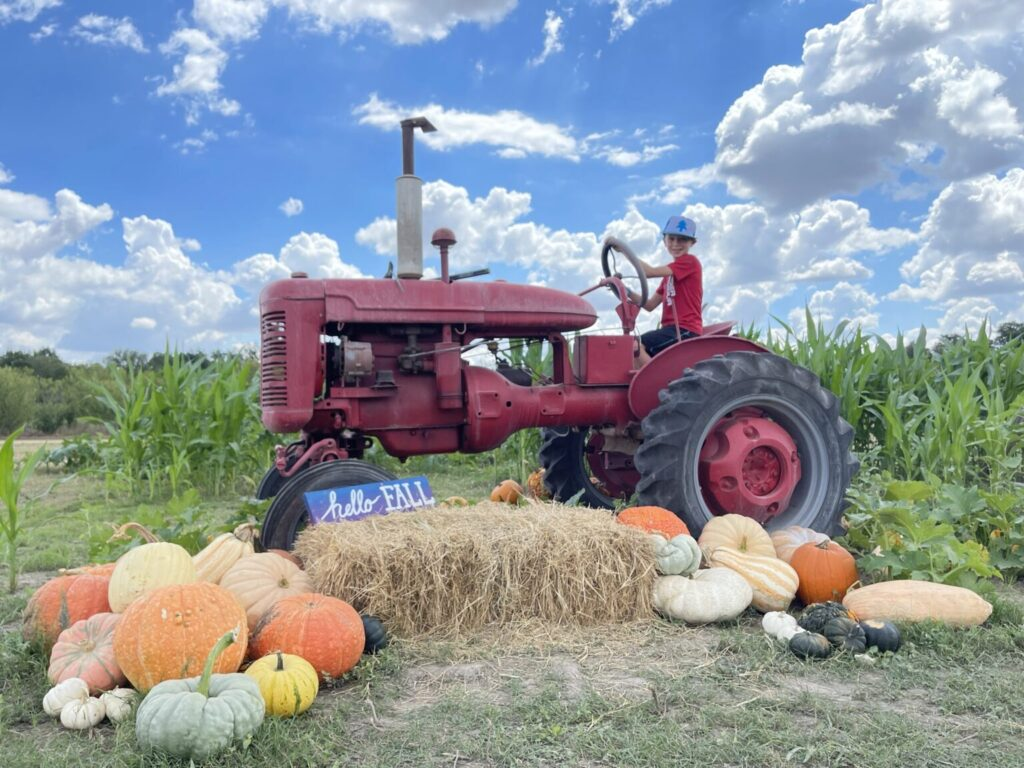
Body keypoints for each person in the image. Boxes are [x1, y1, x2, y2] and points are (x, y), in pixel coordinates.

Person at [623, 215, 703, 365]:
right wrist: (625, 290)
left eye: (682, 240)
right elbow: (649, 305)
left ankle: (657, 385)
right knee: (630, 347)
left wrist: (624, 251)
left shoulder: (690, 262)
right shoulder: (669, 276)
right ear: (664, 240)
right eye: (671, 239)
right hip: (671, 330)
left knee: (634, 346)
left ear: (692, 242)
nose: (675, 244)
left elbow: (649, 272)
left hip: (685, 330)